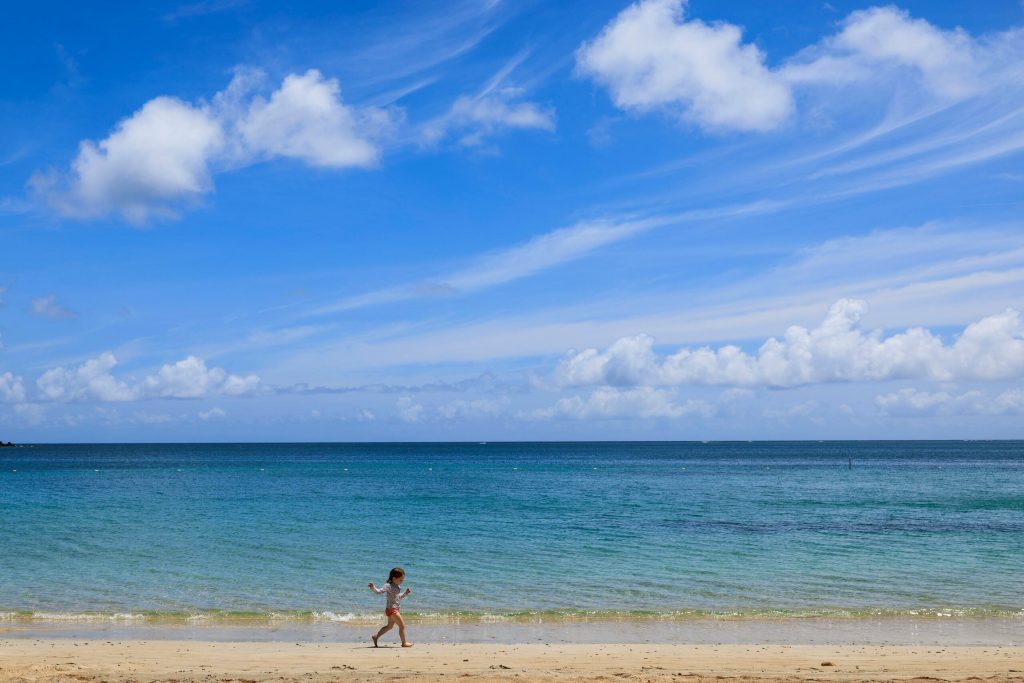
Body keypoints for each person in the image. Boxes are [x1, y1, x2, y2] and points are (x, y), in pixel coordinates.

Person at [368, 567, 413, 647]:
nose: (402, 581)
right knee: (402, 626)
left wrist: (405, 593)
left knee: (389, 626)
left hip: (392, 609)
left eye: (402, 580)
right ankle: (404, 643)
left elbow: (399, 597)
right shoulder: (388, 586)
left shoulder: (397, 587)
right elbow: (379, 591)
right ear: (394, 578)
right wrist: (373, 588)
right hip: (392, 609)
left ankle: (376, 636)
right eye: (400, 580)